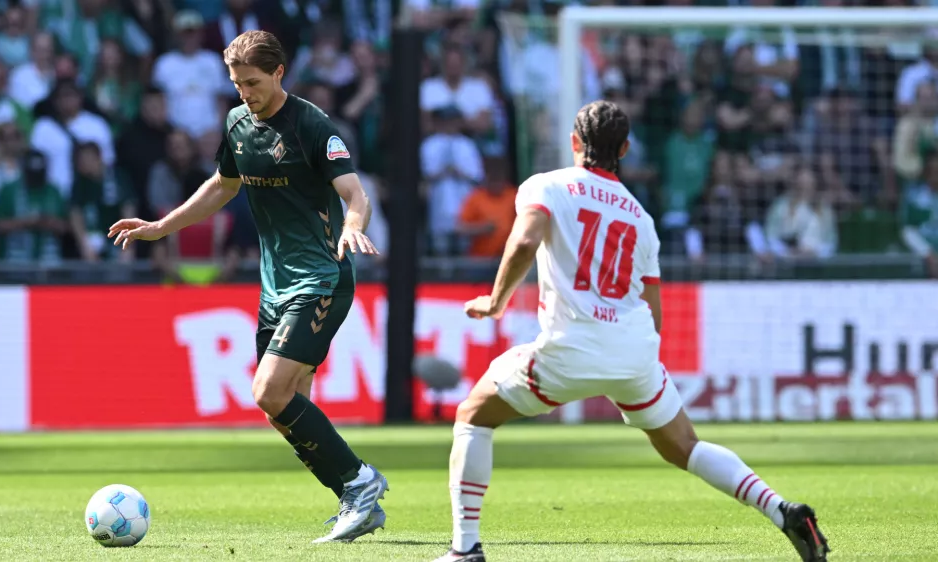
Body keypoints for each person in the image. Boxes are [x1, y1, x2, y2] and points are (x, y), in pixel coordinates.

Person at [432, 101, 830, 562]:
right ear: (624, 149)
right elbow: (653, 312)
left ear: (574, 141)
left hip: (569, 348)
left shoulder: (546, 186)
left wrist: (496, 300)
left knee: (474, 415)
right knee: (685, 447)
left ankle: (465, 549)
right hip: (633, 352)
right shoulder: (642, 219)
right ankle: (783, 511)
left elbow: (524, 240)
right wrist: (632, 361)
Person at [107, 30, 389, 544]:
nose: (244, 93)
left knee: (268, 391)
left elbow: (355, 193)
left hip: (321, 277)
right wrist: (160, 227)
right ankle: (355, 499)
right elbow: (223, 185)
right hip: (274, 285)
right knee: (283, 409)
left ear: (279, 73)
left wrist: (353, 225)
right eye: (237, 83)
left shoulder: (311, 125)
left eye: (253, 82)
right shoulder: (238, 122)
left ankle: (360, 481)